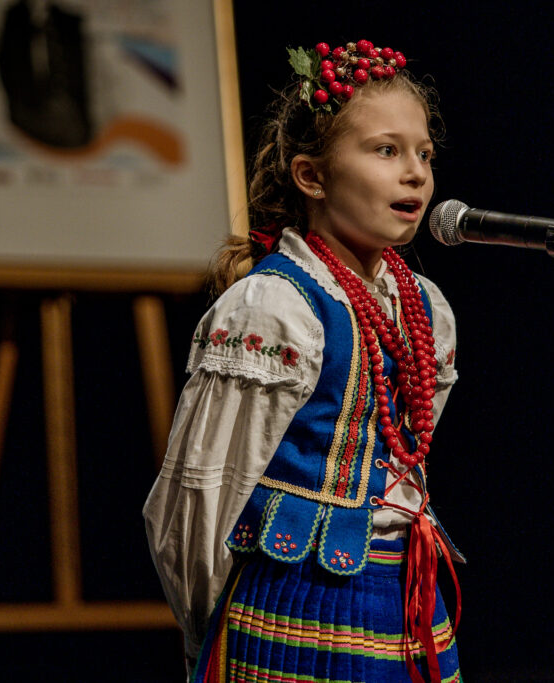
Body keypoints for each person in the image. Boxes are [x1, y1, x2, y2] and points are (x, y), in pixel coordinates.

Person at [143, 39, 462, 683]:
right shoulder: (273, 307)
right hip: (295, 609)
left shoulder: (425, 307)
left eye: (424, 153)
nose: (416, 173)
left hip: (406, 604)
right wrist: (206, 636)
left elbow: (402, 449)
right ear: (312, 175)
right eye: (386, 150)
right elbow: (199, 498)